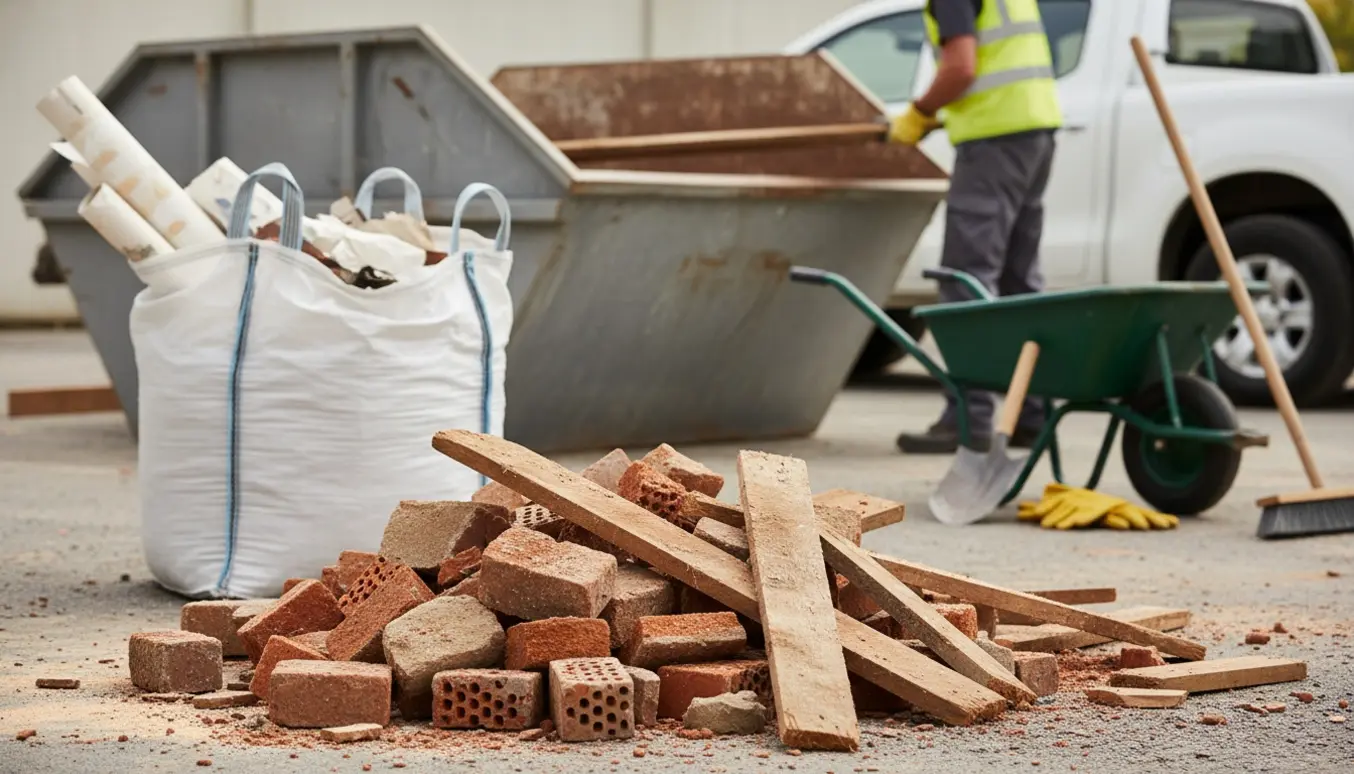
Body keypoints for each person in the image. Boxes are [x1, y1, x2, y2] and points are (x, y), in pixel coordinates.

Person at [887, 0, 1064, 454]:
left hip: (993, 142)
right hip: (1035, 132)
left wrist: (919, 112)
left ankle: (969, 418)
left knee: (966, 281)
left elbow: (961, 67)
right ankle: (1032, 414)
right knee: (1018, 282)